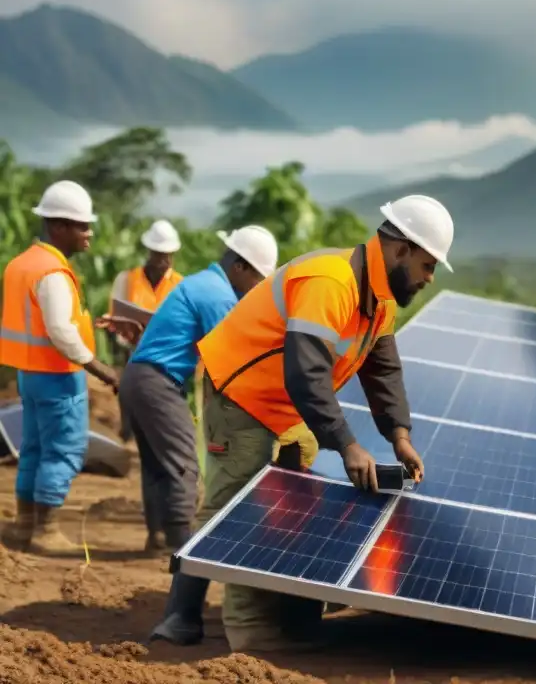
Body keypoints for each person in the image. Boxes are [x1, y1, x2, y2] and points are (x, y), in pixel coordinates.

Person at [150, 194, 454, 654]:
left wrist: (400, 436)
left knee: (292, 503)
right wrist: (347, 444)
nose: (429, 278)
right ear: (401, 249)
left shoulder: (381, 299)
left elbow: (383, 370)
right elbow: (306, 372)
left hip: (290, 406)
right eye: (428, 265)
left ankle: (292, 612)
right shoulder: (330, 282)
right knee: (235, 507)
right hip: (242, 394)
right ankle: (212, 622)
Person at [111, 226, 278, 556]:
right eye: (258, 279)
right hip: (157, 381)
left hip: (139, 378)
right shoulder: (218, 296)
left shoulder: (202, 282)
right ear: (240, 267)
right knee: (183, 462)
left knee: (158, 464)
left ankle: (158, 536)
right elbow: (233, 361)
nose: (257, 288)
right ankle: (179, 544)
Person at [0, 180, 120, 555]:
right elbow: (59, 331)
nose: (89, 233)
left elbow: (43, 322)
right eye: (82, 226)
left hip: (29, 374)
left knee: (33, 448)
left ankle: (24, 525)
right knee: (64, 451)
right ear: (58, 227)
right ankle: (46, 531)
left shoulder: (22, 263)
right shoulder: (52, 271)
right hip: (57, 376)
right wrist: (101, 369)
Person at [106, 220, 184, 362]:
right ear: (149, 252)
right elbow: (115, 322)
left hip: (169, 359)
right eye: (159, 254)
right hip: (133, 355)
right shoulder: (126, 279)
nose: (163, 260)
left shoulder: (181, 285)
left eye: (167, 255)